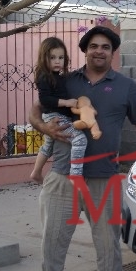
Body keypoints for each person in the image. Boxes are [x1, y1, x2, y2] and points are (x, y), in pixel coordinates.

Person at [25, 26, 136, 271]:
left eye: (106, 47)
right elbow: (36, 111)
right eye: (94, 46)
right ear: (84, 50)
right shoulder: (65, 81)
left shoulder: (126, 86)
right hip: (62, 177)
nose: (99, 51)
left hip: (104, 178)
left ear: (112, 52)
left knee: (109, 244)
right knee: (52, 243)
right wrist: (44, 128)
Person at [29, 37, 89, 183]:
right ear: (44, 58)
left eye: (61, 58)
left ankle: (36, 172)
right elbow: (45, 99)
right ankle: (75, 175)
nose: (57, 61)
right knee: (80, 139)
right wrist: (67, 102)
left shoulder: (60, 77)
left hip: (57, 116)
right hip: (55, 117)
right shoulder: (44, 77)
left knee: (48, 145)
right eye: (52, 58)